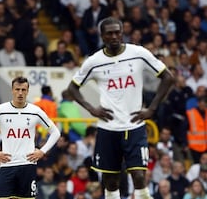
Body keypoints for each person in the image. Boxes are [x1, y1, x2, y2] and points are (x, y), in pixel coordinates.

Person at [67, 17, 175, 199]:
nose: (114, 36)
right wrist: (91, 108)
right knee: (110, 180)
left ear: (122, 32)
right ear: (102, 36)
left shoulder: (138, 53)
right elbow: (72, 88)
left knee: (139, 176)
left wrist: (152, 109)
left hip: (134, 125)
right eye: (109, 33)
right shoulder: (94, 61)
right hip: (108, 128)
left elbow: (168, 77)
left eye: (118, 32)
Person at [0, 76, 61, 198]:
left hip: (28, 166)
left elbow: (55, 132)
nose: (20, 93)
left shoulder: (35, 111)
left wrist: (42, 151)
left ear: (27, 91)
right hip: (7, 166)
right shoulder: (1, 110)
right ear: (12, 90)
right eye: (17, 89)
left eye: (23, 90)